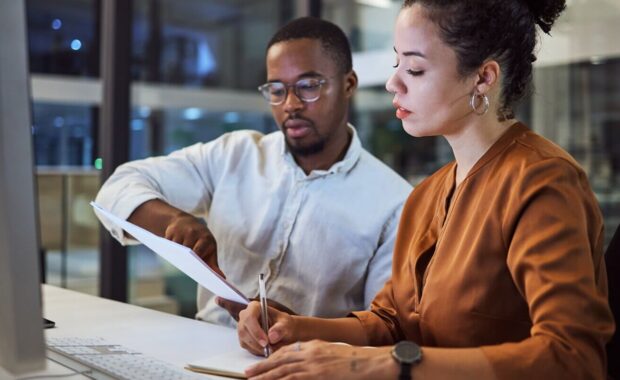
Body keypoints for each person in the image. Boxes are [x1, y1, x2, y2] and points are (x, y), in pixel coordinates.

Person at [237, 1, 615, 379]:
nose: (393, 83)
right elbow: (391, 322)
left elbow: (572, 358)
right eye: (396, 64)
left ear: (483, 78)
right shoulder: (427, 195)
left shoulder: (543, 182)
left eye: (415, 69)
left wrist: (388, 365)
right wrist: (295, 327)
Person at [94, 17, 412, 327]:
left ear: (348, 85)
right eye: (277, 89)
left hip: (309, 364)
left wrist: (297, 326)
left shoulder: (395, 203)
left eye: (308, 86)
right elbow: (117, 187)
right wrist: (173, 222)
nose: (290, 104)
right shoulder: (234, 154)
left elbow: (384, 328)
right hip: (203, 348)